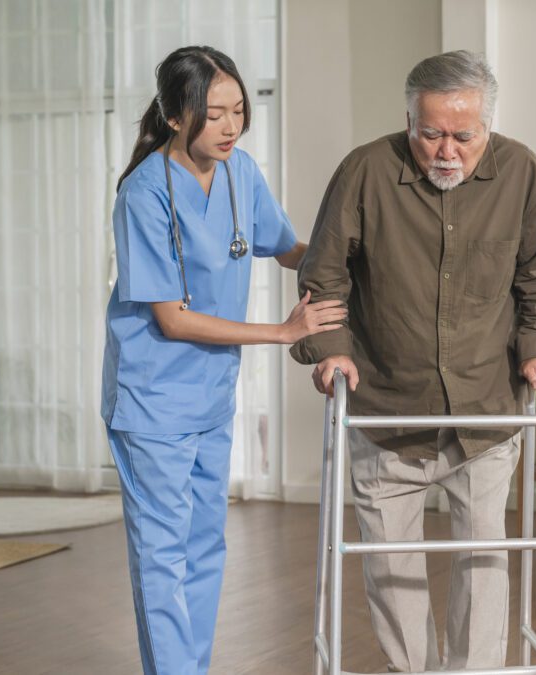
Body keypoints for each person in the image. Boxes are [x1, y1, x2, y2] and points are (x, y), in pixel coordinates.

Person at [290, 51, 536, 672]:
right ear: (408, 119)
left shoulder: (522, 172)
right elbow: (324, 274)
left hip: (486, 407)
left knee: (484, 558)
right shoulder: (364, 170)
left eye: (464, 136)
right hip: (386, 405)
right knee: (390, 564)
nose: (447, 151)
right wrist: (331, 351)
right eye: (431, 133)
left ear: (487, 128)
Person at [101, 46, 345, 674]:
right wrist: (284, 331)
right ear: (177, 115)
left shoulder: (241, 173)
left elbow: (286, 246)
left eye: (239, 110)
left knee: (205, 543)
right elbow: (170, 318)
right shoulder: (145, 191)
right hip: (152, 397)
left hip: (211, 393)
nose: (231, 126)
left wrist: (353, 259)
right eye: (215, 114)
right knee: (163, 552)